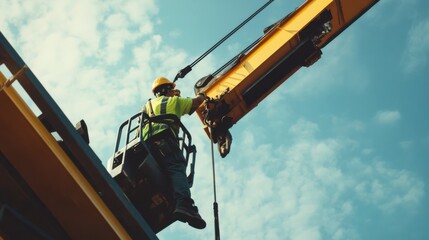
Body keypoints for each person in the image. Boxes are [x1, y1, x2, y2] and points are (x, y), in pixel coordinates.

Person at [141, 76, 207, 229]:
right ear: (168, 90)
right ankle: (185, 205)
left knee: (162, 173)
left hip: (147, 144)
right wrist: (203, 95)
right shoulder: (174, 102)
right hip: (165, 140)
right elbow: (195, 103)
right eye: (172, 90)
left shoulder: (147, 106)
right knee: (177, 168)